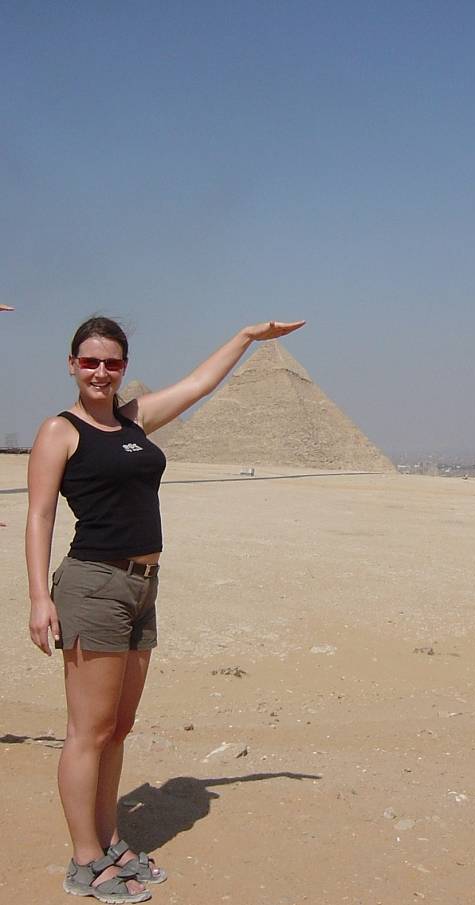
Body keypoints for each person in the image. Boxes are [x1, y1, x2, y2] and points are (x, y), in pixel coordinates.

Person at [26, 314, 305, 903]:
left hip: (142, 587)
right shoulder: (60, 430)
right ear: (72, 364)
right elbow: (40, 515)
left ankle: (108, 837)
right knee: (88, 731)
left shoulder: (134, 420)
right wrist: (38, 597)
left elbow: (199, 384)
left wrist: (246, 338)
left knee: (118, 728)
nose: (101, 372)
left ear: (124, 368)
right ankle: (85, 860)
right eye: (90, 361)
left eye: (112, 363)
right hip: (94, 584)